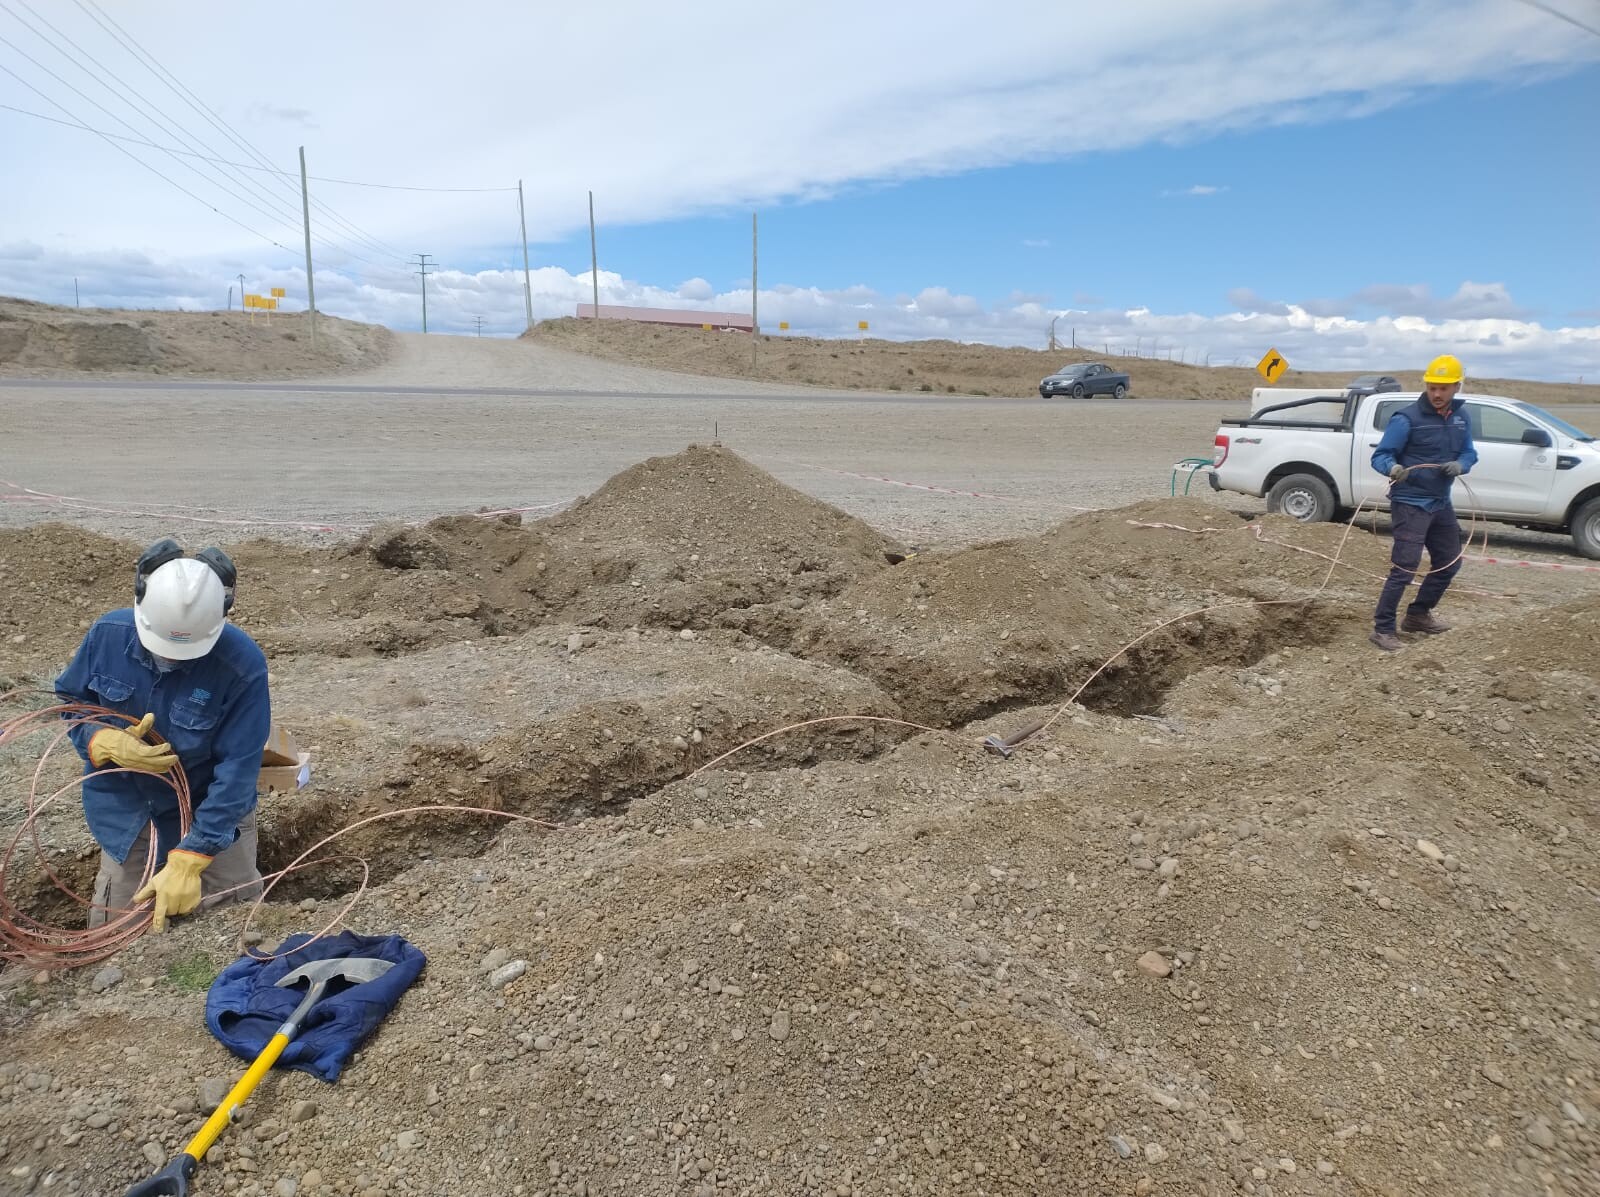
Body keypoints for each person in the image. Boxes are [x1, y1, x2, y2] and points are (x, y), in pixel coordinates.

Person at [55, 539, 271, 931]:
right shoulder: (107, 635)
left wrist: (195, 855)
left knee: (233, 927)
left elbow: (238, 770)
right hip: (130, 810)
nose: (169, 659)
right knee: (116, 932)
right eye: (162, 649)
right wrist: (96, 739)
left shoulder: (241, 666)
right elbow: (71, 699)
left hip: (213, 809)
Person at [1368, 354, 1478, 652]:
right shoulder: (1406, 419)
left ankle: (1417, 615)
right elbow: (1380, 456)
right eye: (1432, 387)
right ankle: (1383, 628)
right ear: (1426, 386)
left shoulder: (1460, 418)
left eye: (1443, 388)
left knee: (1449, 562)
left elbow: (1470, 453)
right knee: (1404, 567)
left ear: (1456, 387)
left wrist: (1460, 465)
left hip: (1440, 502)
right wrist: (1392, 469)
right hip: (1410, 502)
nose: (1437, 394)